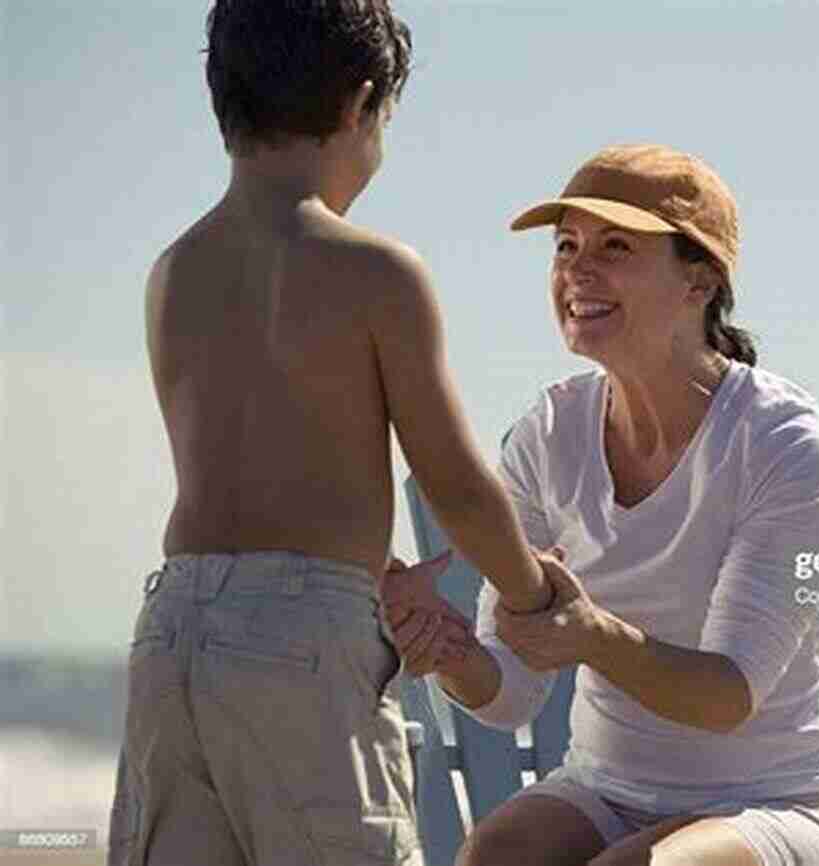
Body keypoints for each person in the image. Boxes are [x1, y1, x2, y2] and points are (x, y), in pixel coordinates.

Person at [107, 3, 553, 864]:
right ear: (359, 106)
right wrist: (532, 594)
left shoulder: (175, 270)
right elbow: (454, 479)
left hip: (171, 633)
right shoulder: (375, 270)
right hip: (302, 642)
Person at [384, 145, 819, 866]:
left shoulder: (783, 442)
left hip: (780, 803)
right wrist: (451, 652)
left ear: (700, 279)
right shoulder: (548, 436)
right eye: (566, 246)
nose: (577, 270)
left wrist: (592, 635)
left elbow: (728, 696)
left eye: (615, 246)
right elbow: (512, 693)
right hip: (606, 792)